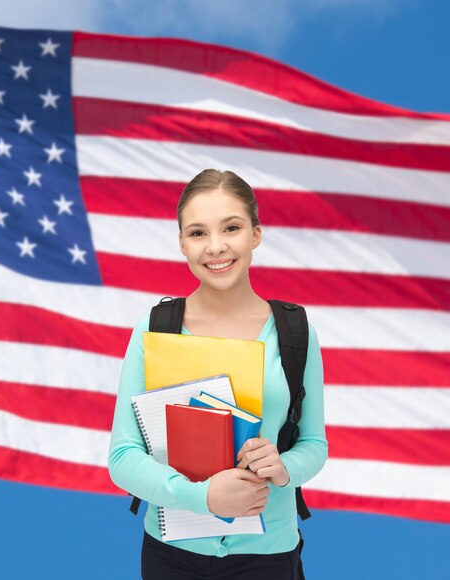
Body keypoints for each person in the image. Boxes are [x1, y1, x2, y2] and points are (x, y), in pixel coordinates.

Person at [108, 169, 328, 579]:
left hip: (268, 554)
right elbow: (123, 457)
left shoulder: (294, 332)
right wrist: (201, 496)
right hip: (171, 554)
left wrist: (284, 467)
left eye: (231, 227)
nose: (216, 247)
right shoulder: (155, 329)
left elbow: (314, 443)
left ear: (256, 234)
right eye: (197, 233)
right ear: (181, 244)